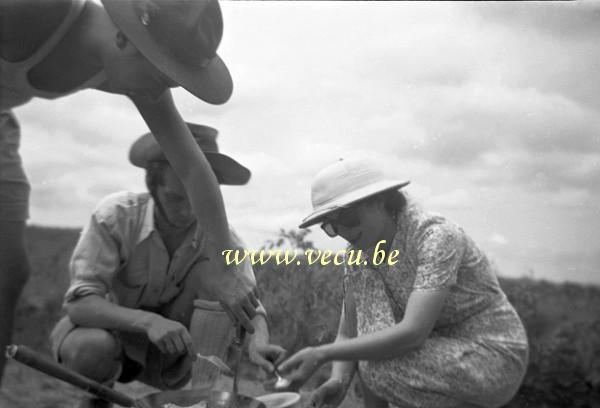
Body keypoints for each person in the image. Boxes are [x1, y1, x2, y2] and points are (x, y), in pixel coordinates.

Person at [0, 0, 258, 386]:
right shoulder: (33, 11)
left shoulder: (138, 75)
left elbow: (191, 166)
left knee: (8, 270)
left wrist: (224, 265)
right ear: (126, 38)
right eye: (161, 75)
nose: (161, 90)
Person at [50, 124, 285, 408]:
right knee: (90, 350)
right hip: (107, 337)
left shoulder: (224, 240)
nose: (187, 210)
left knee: (216, 277)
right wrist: (150, 322)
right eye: (175, 198)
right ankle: (97, 398)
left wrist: (258, 343)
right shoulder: (115, 217)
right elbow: (79, 304)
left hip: (171, 356)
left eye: (196, 199)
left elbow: (249, 302)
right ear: (153, 185)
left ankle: (201, 395)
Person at [278, 158, 529, 408]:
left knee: (376, 363)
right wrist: (339, 380)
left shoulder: (434, 235)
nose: (342, 229)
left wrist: (321, 354)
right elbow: (349, 333)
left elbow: (413, 333)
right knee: (372, 347)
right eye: (330, 225)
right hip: (436, 356)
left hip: (493, 354)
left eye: (348, 216)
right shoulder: (358, 255)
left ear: (379, 200)